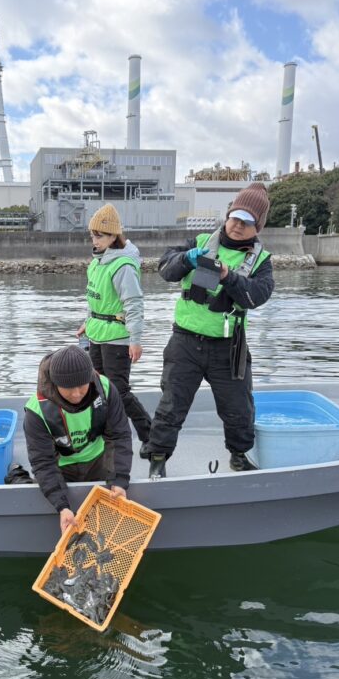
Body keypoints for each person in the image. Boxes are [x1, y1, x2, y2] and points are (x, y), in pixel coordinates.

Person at [140, 182, 274, 478]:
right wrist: (185, 259)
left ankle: (239, 455)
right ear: (228, 216)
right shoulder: (199, 241)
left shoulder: (262, 262)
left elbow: (257, 296)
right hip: (185, 342)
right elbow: (165, 270)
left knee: (239, 408)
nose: (238, 225)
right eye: (235, 217)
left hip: (229, 347)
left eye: (247, 222)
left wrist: (228, 277)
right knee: (171, 405)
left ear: (258, 227)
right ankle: (157, 460)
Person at [24, 345, 132, 533]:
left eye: (82, 386)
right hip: (62, 467)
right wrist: (62, 506)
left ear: (89, 379)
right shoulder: (36, 410)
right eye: (67, 388)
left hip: (98, 461)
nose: (76, 394)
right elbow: (43, 462)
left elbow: (119, 435)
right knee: (48, 489)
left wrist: (119, 480)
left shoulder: (105, 388)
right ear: (56, 384)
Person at [76, 203, 152, 444]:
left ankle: (148, 434)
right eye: (92, 235)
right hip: (96, 333)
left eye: (99, 236)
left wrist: (136, 340)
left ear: (113, 236)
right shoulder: (96, 263)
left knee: (119, 390)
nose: (94, 240)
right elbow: (94, 297)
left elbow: (134, 304)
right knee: (96, 385)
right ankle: (105, 431)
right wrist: (87, 322)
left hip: (117, 338)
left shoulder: (124, 266)